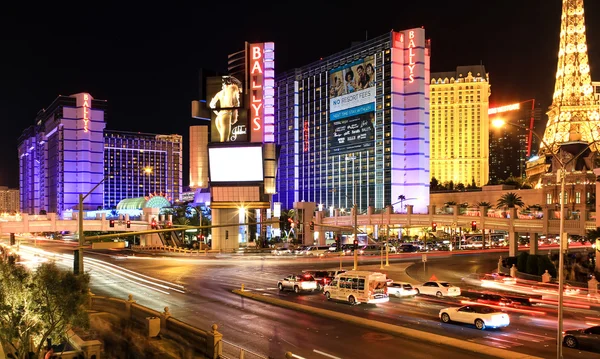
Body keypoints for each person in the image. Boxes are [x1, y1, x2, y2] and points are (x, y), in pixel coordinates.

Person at [209, 76, 243, 142]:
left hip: (218, 118)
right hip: (226, 116)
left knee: (223, 140)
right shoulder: (233, 89)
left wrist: (218, 113)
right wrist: (234, 118)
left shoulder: (219, 93)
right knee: (225, 142)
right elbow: (236, 105)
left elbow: (211, 105)